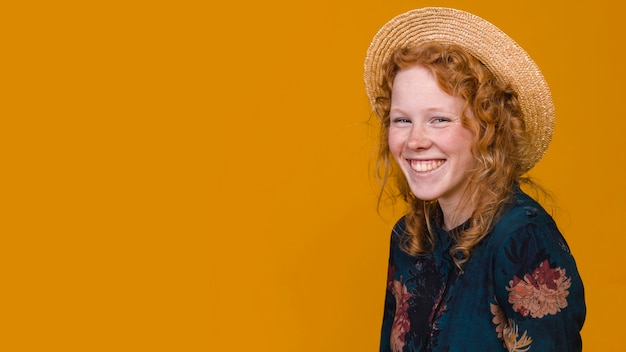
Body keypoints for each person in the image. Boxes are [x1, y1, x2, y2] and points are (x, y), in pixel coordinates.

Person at [363, 7, 585, 352]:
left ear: (487, 130)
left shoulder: (522, 241)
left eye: (438, 119)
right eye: (402, 120)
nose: (415, 140)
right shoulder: (408, 237)